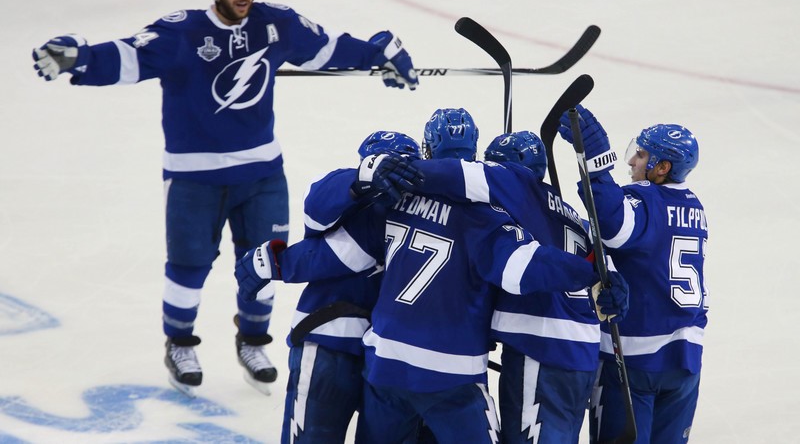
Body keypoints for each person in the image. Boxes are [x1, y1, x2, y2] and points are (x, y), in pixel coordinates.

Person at [30, 0, 419, 397]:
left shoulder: (275, 25)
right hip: (194, 179)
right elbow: (126, 57)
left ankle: (253, 342)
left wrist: (378, 55)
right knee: (188, 266)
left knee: (267, 258)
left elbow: (323, 50)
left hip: (262, 174)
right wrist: (77, 58)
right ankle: (179, 344)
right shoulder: (183, 33)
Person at [236, 108, 627, 444]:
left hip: (383, 366)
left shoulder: (394, 204)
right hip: (452, 376)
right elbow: (522, 270)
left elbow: (332, 254)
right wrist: (591, 272)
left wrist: (269, 264)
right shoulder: (488, 221)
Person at [403, 130, 628, 443]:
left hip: (539, 348)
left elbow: (456, 174)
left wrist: (386, 169)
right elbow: (611, 288)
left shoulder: (513, 182)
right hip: (582, 355)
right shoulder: (575, 217)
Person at [558, 105, 708, 443]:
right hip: (685, 359)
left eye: (641, 155)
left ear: (661, 167)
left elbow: (611, 223)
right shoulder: (694, 206)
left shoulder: (646, 200)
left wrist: (596, 157)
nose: (632, 162)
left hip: (635, 359)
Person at [283, 130, 424, 444]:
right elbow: (315, 209)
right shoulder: (350, 201)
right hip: (331, 342)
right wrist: (362, 179)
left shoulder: (427, 215)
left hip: (393, 357)